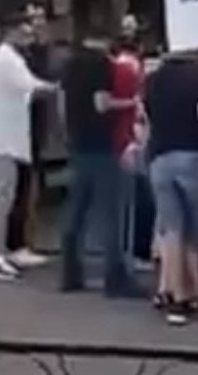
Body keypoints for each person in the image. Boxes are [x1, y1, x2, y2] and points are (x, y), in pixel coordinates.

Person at [0, 13, 56, 282]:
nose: (29, 36)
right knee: (0, 201)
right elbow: (32, 86)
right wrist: (57, 87)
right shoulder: (8, 61)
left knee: (0, 200)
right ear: (11, 32)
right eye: (25, 32)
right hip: (3, 142)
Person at [144, 51, 198, 326]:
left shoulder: (153, 79)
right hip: (197, 156)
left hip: (160, 158)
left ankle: (178, 299)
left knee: (172, 231)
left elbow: (146, 119)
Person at [60, 24, 139, 296]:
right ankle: (114, 278)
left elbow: (62, 103)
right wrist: (132, 102)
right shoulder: (100, 66)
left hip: (77, 143)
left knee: (76, 211)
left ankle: (70, 273)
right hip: (101, 144)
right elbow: (102, 103)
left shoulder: (70, 65)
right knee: (109, 214)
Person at [7, 3, 52, 269]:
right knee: (19, 186)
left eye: (39, 19)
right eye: (30, 20)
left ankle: (25, 239)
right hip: (18, 127)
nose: (34, 27)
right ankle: (17, 242)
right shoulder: (15, 56)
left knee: (29, 184)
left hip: (34, 125)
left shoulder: (39, 52)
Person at [111, 15, 153, 268]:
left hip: (122, 138)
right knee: (140, 197)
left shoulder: (116, 66)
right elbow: (139, 104)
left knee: (130, 198)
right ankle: (138, 250)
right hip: (131, 138)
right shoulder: (131, 69)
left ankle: (134, 250)